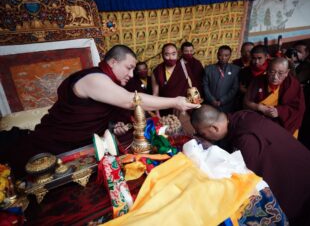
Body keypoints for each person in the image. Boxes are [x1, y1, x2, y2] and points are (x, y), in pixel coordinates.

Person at [0, 45, 199, 177]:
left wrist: (115, 126)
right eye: (128, 68)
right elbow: (131, 101)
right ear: (113, 62)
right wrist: (177, 101)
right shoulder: (94, 79)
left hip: (84, 146)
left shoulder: (110, 83)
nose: (131, 74)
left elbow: (115, 112)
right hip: (54, 143)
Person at [190, 104, 310, 226]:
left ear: (215, 128)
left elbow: (248, 182)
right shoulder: (243, 115)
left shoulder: (247, 142)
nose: (204, 138)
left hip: (302, 187)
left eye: (204, 134)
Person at [244, 57, 305, 138]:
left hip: (283, 125)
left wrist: (279, 111)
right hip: (259, 121)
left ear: (287, 72)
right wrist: (260, 107)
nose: (275, 77)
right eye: (272, 72)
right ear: (267, 70)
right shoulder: (258, 80)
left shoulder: (293, 85)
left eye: (280, 73)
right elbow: (246, 102)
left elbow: (298, 109)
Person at [152, 43, 194, 116]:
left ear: (177, 54)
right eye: (167, 54)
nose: (171, 57)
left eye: (173, 54)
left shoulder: (184, 67)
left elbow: (191, 87)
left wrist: (193, 106)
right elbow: (155, 95)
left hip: (183, 108)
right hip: (165, 109)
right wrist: (157, 114)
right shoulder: (157, 71)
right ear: (162, 55)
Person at [203, 45, 239, 113]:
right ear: (217, 55)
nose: (223, 58)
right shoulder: (208, 69)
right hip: (210, 104)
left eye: (226, 55)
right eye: (220, 55)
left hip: (227, 106)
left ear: (230, 56)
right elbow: (205, 86)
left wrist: (222, 101)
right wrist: (212, 100)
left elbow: (234, 88)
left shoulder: (235, 69)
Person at [232, 42, 254, 110]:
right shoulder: (235, 64)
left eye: (250, 51)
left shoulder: (255, 64)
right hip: (236, 95)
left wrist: (246, 91)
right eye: (245, 51)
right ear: (241, 52)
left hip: (251, 95)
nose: (248, 54)